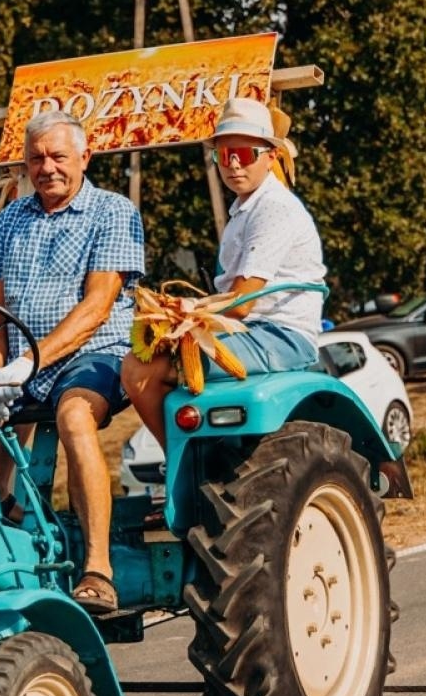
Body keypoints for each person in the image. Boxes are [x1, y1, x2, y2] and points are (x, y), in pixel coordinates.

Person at [0, 111, 145, 613]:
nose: (46, 167)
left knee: (74, 415)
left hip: (95, 355)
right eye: (36, 158)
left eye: (57, 156)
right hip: (24, 364)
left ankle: (97, 569)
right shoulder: (11, 218)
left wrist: (27, 362)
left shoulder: (113, 212)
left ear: (84, 158)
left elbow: (96, 309)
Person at [122, 98, 324, 451]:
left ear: (270, 156)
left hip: (282, 336)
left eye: (243, 154)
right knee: (141, 360)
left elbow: (242, 302)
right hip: (252, 333)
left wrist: (182, 314)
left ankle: (183, 466)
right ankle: (196, 462)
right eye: (223, 154)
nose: (232, 164)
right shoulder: (245, 209)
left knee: (142, 370)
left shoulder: (273, 208)